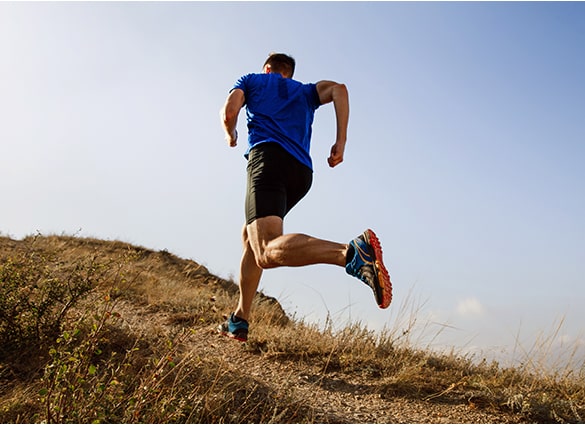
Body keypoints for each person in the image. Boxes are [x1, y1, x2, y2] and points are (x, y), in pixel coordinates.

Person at [218, 53, 392, 342]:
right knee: (250, 235)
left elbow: (229, 111)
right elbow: (340, 90)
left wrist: (230, 133)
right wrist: (341, 141)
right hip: (301, 172)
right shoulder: (306, 91)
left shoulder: (252, 80)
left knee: (265, 250)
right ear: (290, 72)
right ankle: (240, 318)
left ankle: (350, 254)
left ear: (269, 69)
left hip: (268, 159)